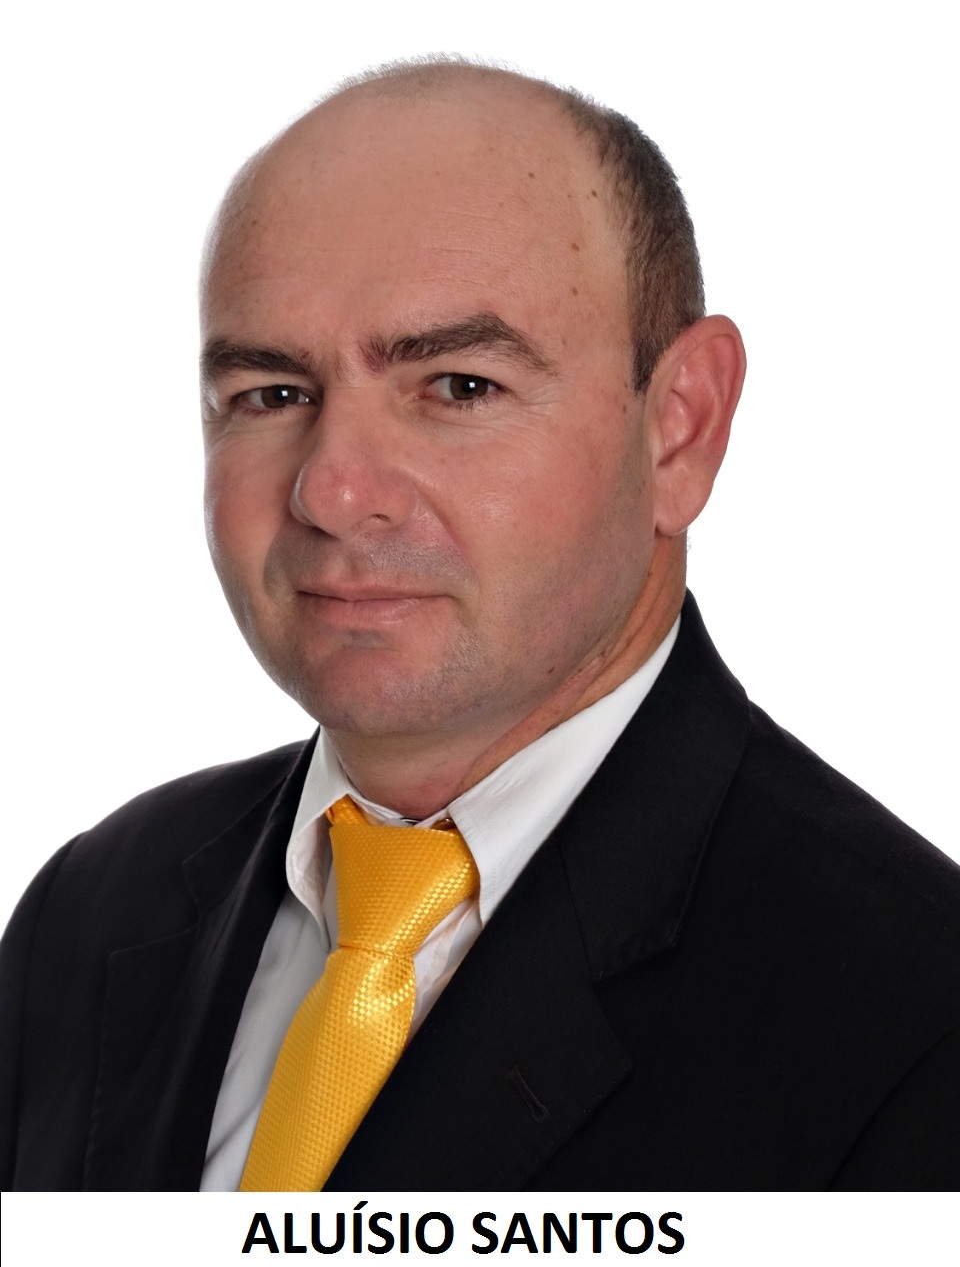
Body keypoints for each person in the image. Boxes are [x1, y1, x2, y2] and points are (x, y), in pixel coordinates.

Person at [1, 58, 958, 1194]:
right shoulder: (89, 914)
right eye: (272, 394)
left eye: (459, 386)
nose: (332, 491)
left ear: (681, 428)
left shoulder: (913, 1018)